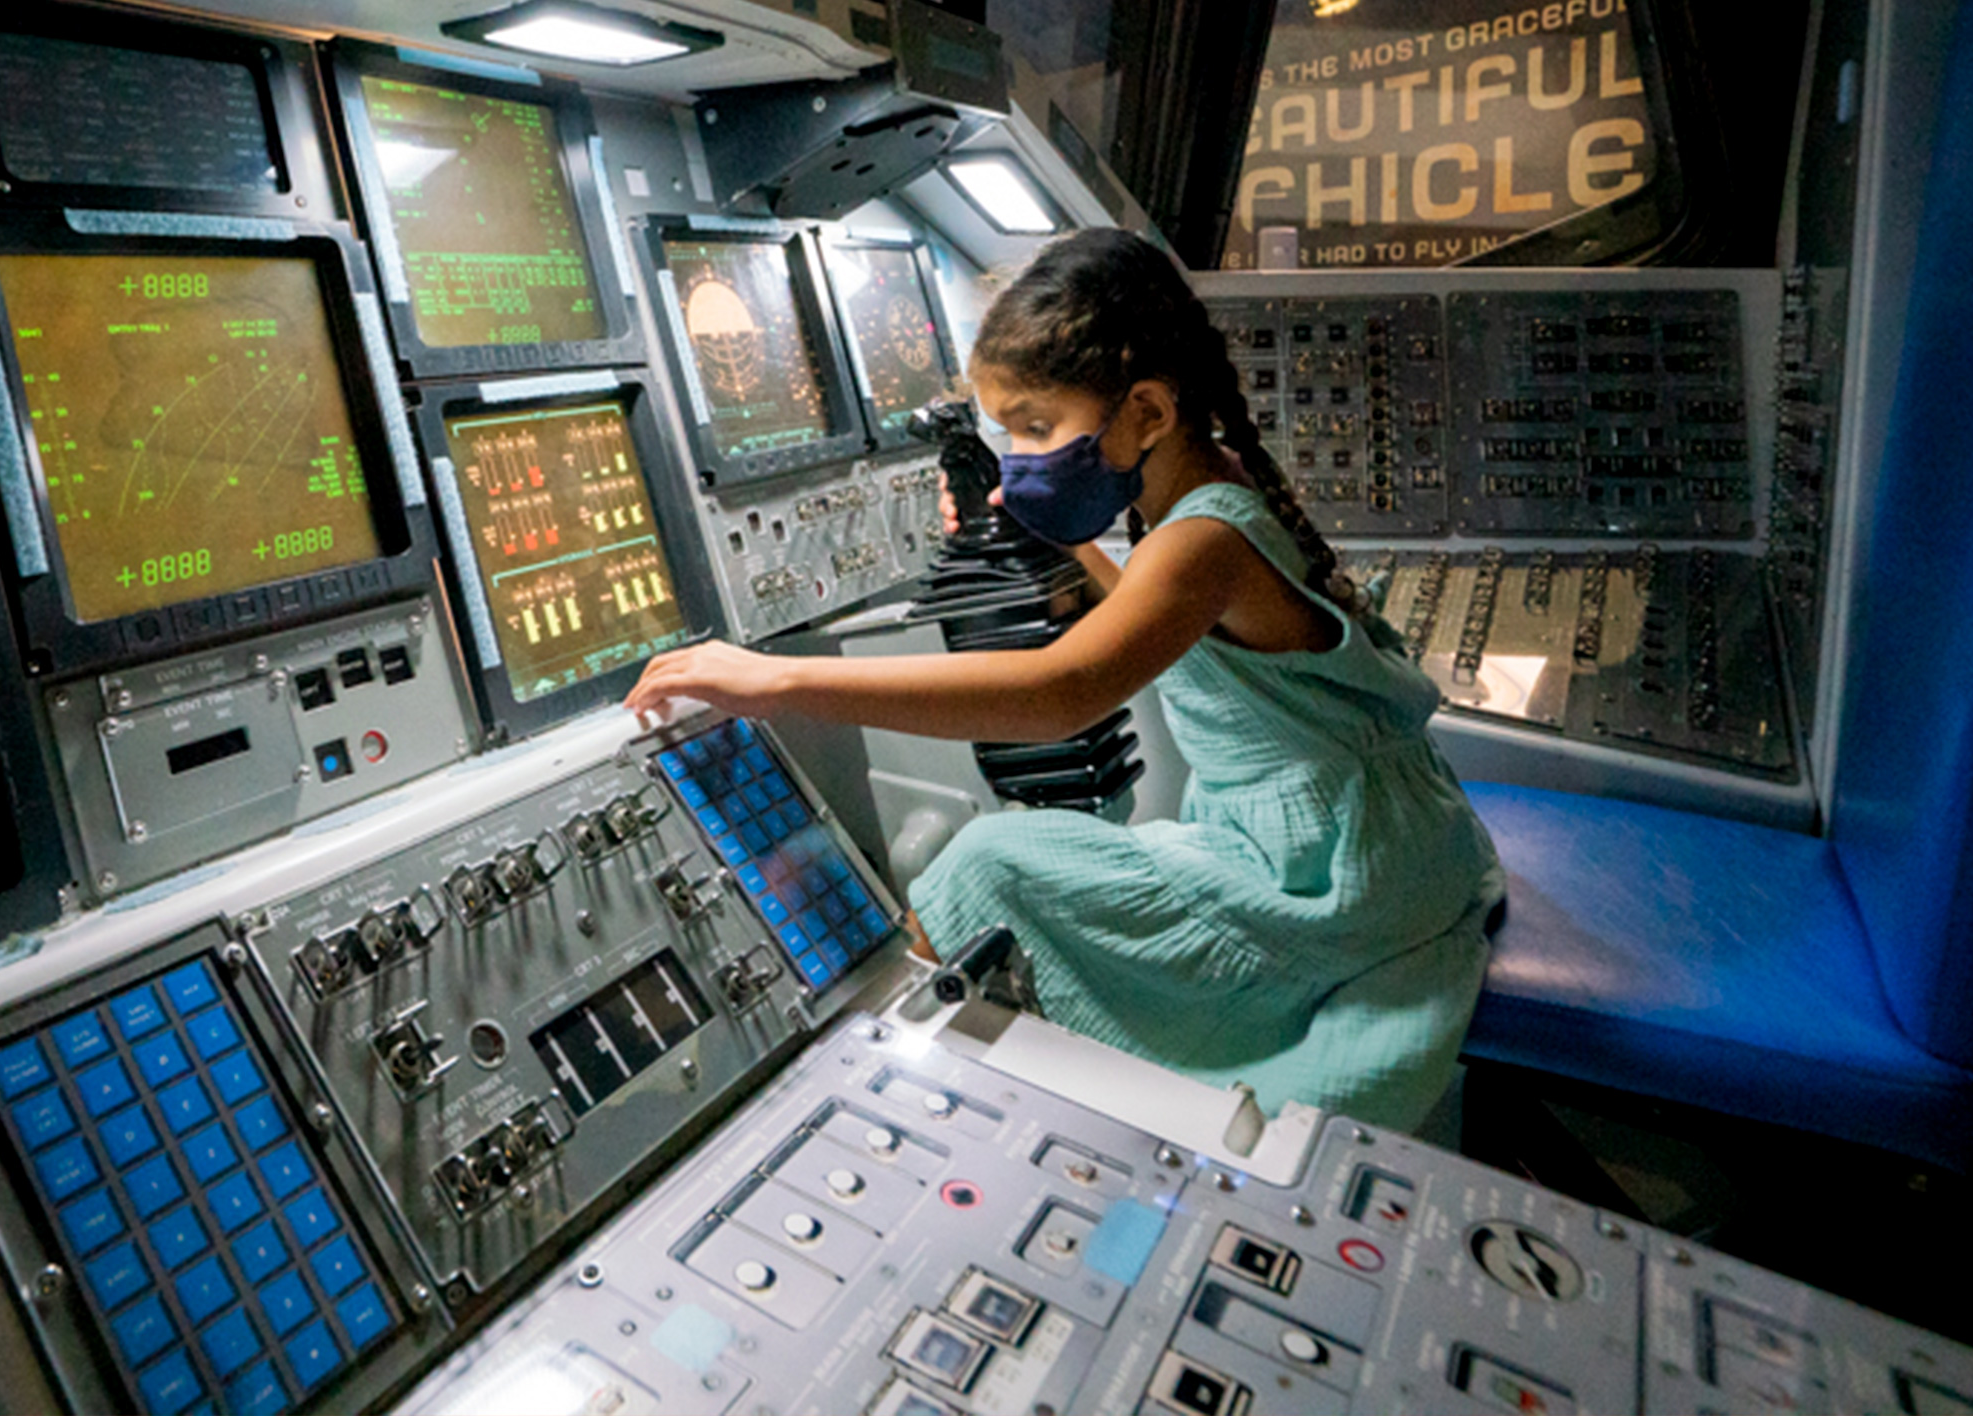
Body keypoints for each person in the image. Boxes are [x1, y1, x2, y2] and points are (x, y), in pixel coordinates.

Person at [623, 228, 1504, 1129]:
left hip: (1331, 878)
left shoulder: (1204, 538)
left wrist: (776, 681)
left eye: (1036, 429)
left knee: (985, 860)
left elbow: (1063, 692)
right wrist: (1059, 530)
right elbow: (1166, 630)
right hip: (1370, 835)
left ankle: (891, 1104)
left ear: (1148, 415)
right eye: (1008, 432)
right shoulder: (1206, 492)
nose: (1019, 455)